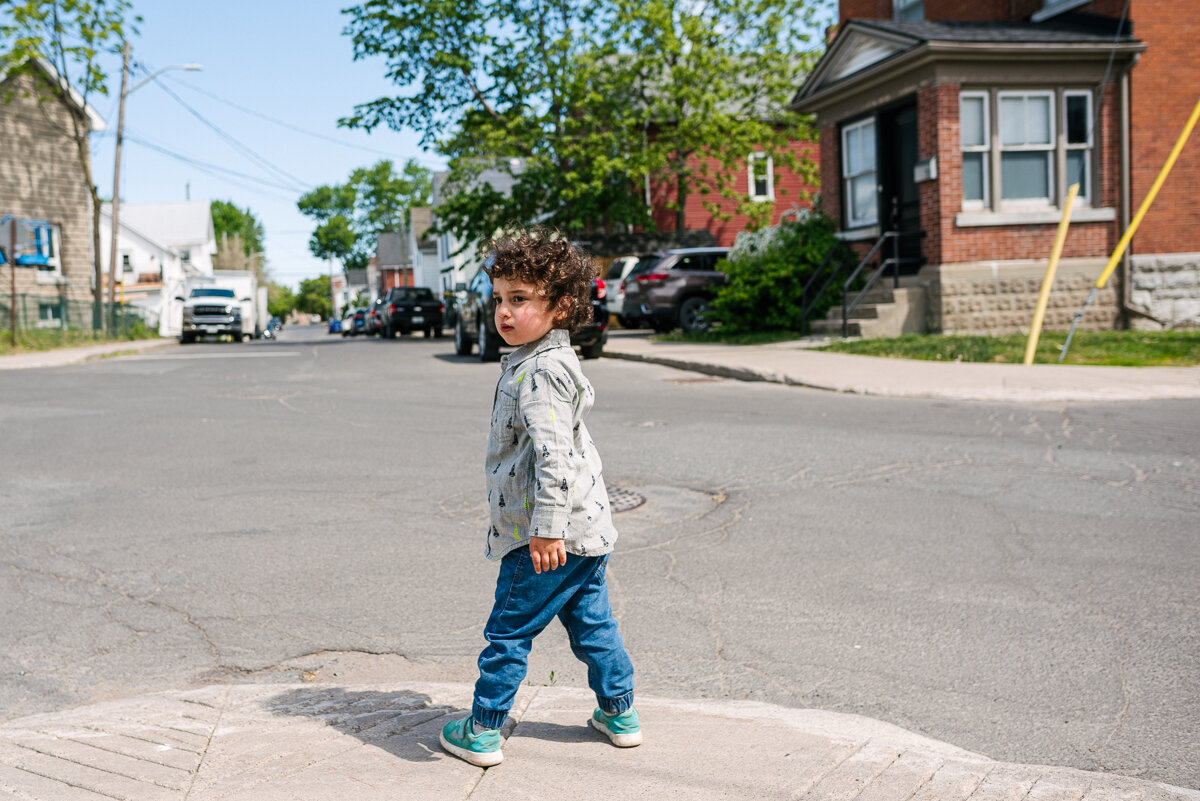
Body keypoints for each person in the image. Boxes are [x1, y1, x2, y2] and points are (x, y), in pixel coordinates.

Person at [440, 232, 640, 768]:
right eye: (499, 298)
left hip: (545, 538)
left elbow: (553, 459)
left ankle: (481, 730)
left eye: (520, 299)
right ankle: (619, 713)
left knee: (508, 631)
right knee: (594, 627)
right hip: (588, 532)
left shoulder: (541, 374)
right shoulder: (548, 359)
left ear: (560, 306)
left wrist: (545, 530)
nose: (504, 311)